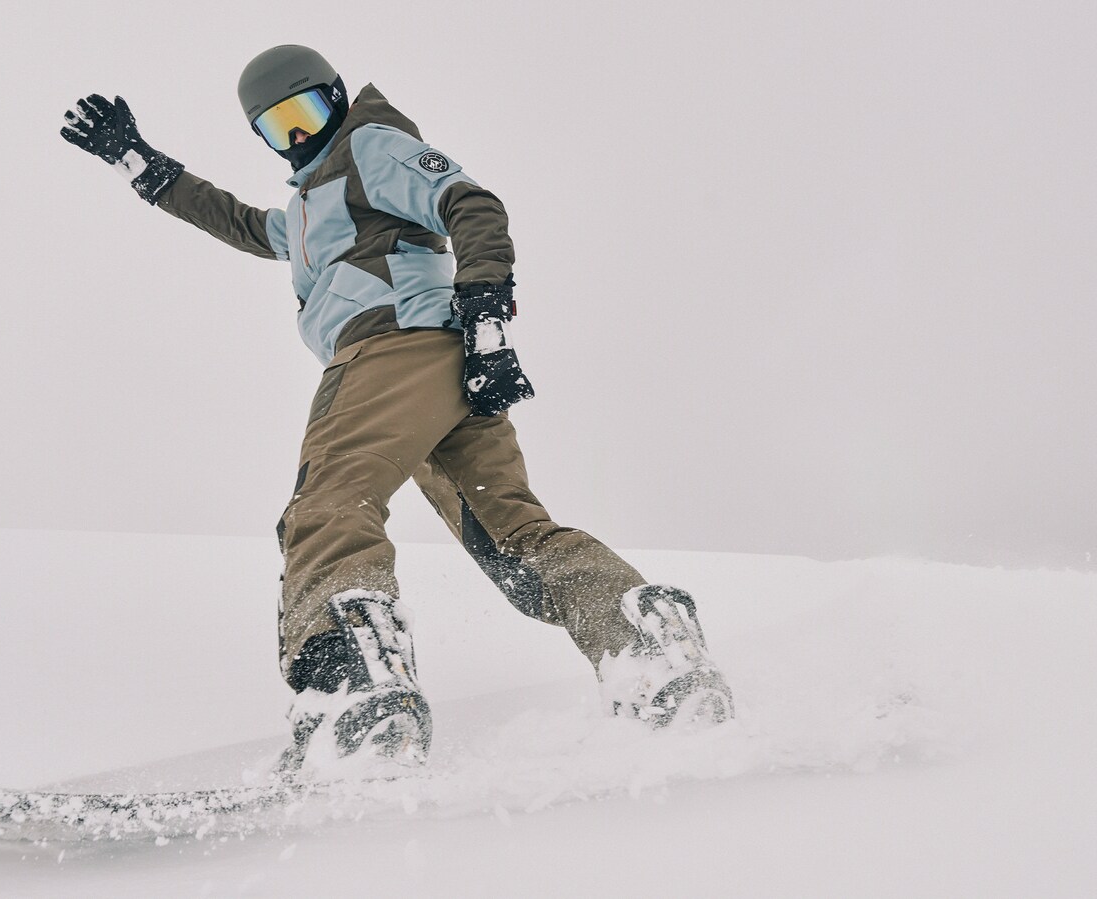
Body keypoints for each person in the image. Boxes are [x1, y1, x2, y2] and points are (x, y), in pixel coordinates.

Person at [59, 45, 732, 776]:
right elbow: (247, 226)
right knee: (514, 540)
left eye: (306, 113)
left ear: (338, 98)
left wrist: (486, 315)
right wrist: (141, 164)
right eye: (276, 128)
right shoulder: (309, 204)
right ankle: (649, 648)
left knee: (327, 502)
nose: (297, 137)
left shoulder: (369, 147)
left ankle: (355, 681)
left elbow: (470, 204)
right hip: (441, 375)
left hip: (390, 349)